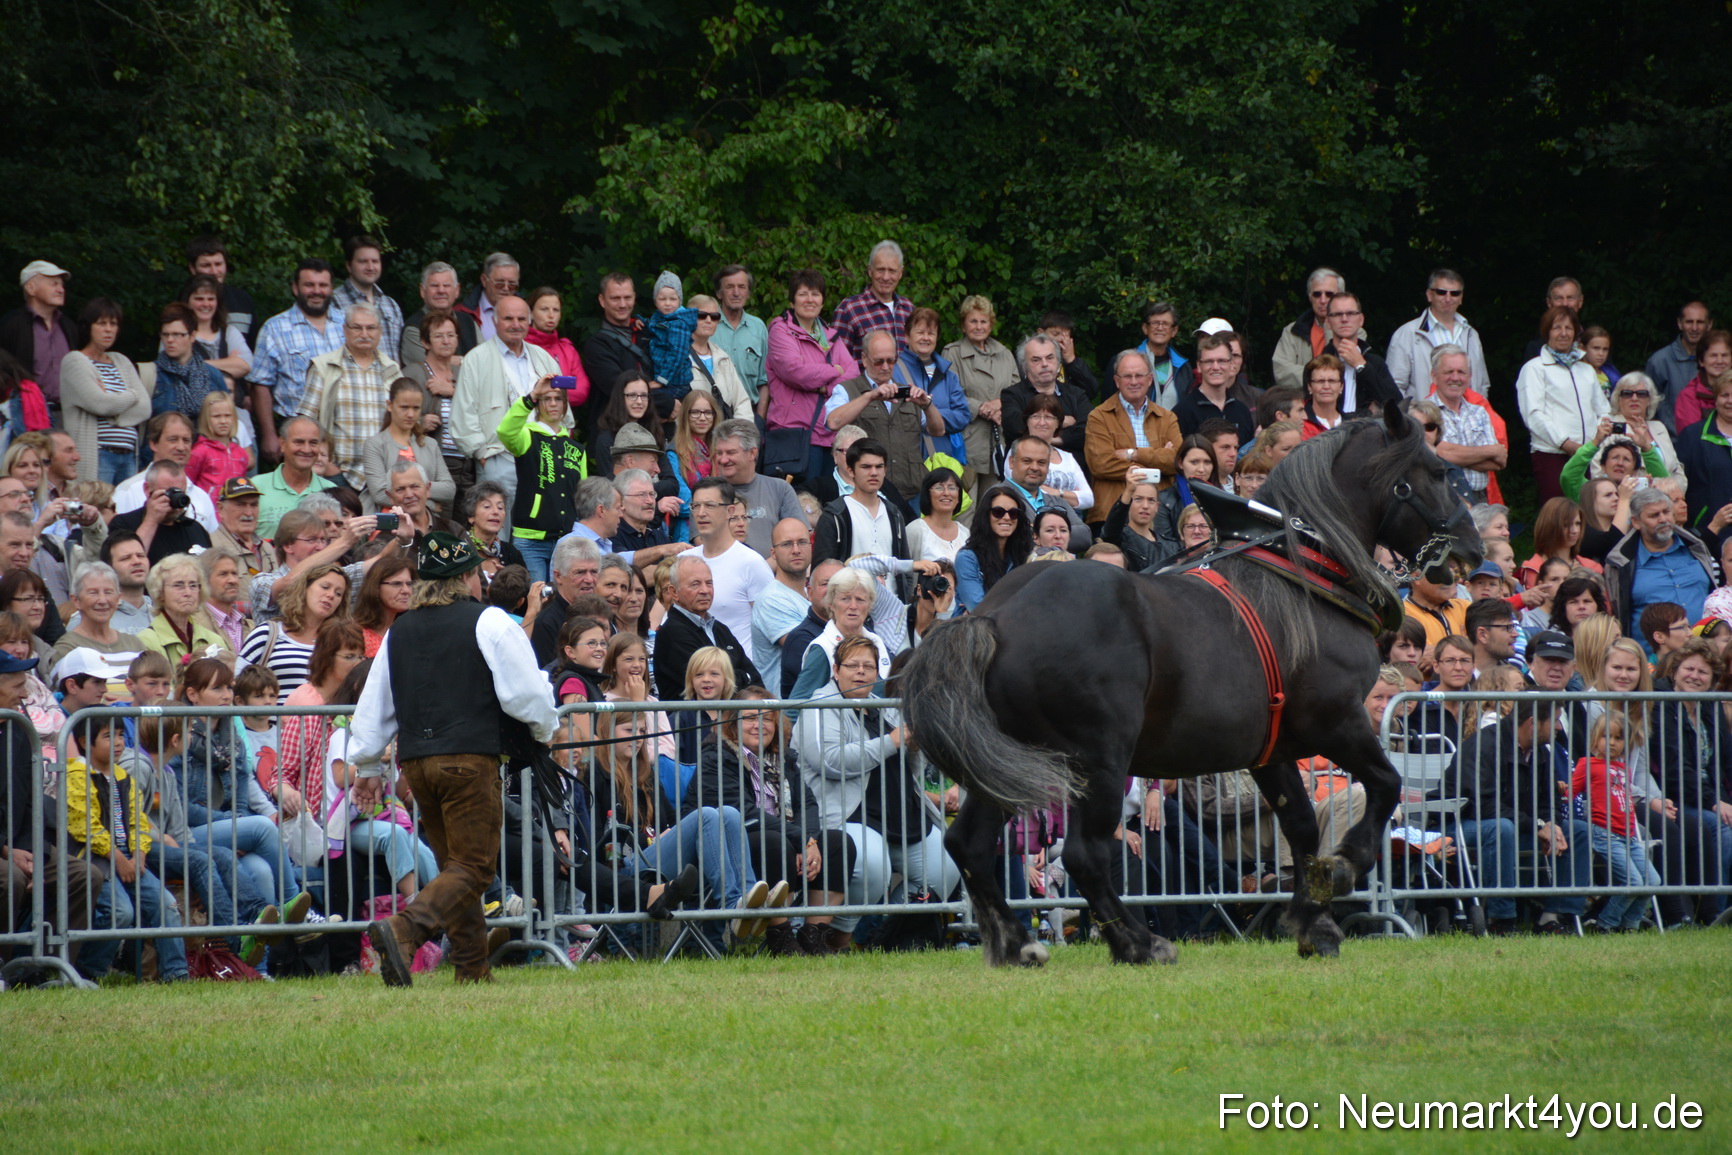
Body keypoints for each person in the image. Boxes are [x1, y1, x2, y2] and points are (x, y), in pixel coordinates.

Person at [348, 532, 547, 961]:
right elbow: (524, 695)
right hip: (470, 759)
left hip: (417, 764)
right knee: (474, 868)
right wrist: (545, 730)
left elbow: (374, 705)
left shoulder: (400, 630)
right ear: (468, 576)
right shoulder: (489, 621)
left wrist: (366, 764)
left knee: (455, 868)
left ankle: (471, 968)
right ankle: (404, 928)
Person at [793, 634, 959, 946]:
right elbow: (831, 761)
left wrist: (913, 747)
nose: (860, 672)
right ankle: (835, 939)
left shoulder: (883, 706)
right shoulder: (821, 705)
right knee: (873, 869)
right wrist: (891, 741)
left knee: (945, 868)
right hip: (852, 814)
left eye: (868, 666)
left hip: (901, 812)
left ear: (877, 671)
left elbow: (912, 769)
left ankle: (887, 937)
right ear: (835, 669)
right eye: (852, 665)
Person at [63, 715, 191, 981]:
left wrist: (140, 853)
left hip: (128, 859)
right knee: (120, 913)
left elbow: (137, 820)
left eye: (121, 735)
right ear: (86, 742)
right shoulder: (77, 774)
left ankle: (176, 974)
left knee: (165, 903)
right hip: (95, 859)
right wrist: (119, 858)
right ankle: (87, 972)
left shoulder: (122, 775)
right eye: (109, 737)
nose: (119, 743)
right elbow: (84, 827)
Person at [450, 295, 560, 522]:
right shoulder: (476, 359)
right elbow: (463, 412)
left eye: (521, 318)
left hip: (543, 456)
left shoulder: (543, 357)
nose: (515, 324)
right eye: (508, 318)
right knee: (498, 526)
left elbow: (561, 405)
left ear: (529, 321)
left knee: (541, 524)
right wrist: (481, 452)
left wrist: (558, 443)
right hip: (498, 457)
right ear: (495, 321)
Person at [825, 330, 946, 503]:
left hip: (911, 491)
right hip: (866, 493)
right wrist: (869, 396)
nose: (885, 367)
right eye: (878, 361)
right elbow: (833, 422)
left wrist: (927, 405)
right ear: (864, 359)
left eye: (891, 361)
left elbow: (938, 430)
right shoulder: (847, 390)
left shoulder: (908, 391)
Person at [247, 259, 345, 466]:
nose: (316, 291)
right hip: (296, 433)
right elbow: (260, 385)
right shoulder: (275, 328)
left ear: (331, 288)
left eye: (323, 285)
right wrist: (269, 435)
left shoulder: (348, 324)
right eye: (309, 285)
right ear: (295, 288)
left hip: (344, 429)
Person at [296, 302, 401, 495]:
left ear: (379, 331)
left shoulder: (392, 369)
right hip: (338, 474)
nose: (364, 333)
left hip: (385, 475)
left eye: (371, 328)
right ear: (344, 330)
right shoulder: (324, 367)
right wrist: (325, 463)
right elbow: (306, 423)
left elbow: (403, 422)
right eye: (357, 327)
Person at [765, 270, 857, 486]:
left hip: (828, 435)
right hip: (793, 435)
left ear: (823, 301)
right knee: (796, 504)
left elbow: (853, 374)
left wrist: (823, 387)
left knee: (823, 503)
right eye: (803, 294)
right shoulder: (781, 331)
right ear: (792, 299)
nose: (809, 300)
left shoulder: (832, 335)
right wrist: (835, 371)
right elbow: (795, 371)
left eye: (815, 294)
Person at [497, 375, 587, 584]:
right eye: (546, 398)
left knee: (561, 599)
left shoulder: (576, 449)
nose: (553, 404)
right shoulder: (527, 435)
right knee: (536, 598)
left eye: (558, 398)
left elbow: (581, 497)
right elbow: (504, 431)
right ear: (539, 404)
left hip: (565, 541)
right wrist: (531, 397)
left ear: (566, 404)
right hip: (530, 539)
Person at [1517, 305, 1607, 503]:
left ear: (1576, 333)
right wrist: (1566, 443)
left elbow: (1603, 410)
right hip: (1552, 455)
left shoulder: (1586, 370)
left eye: (1568, 328)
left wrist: (1595, 442)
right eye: (1557, 327)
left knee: (1587, 515)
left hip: (1587, 454)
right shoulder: (1534, 368)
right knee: (1559, 517)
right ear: (1547, 331)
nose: (1563, 333)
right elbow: (1534, 414)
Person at [1603, 486, 1716, 644]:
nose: (1663, 519)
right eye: (1654, 515)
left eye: (1666, 512)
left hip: (1703, 654)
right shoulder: (1621, 562)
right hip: (1652, 662)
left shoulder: (1696, 547)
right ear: (1635, 522)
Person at [1083, 351, 1182, 525]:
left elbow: (1177, 460)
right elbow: (1101, 464)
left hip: (1160, 512)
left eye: (1139, 375)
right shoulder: (1099, 417)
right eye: (1127, 376)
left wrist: (1134, 454)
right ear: (1116, 381)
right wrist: (1158, 463)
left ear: (1150, 379)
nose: (1134, 381)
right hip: (1113, 511)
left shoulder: (1167, 418)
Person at [59, 298, 151, 484]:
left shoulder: (121, 361)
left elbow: (145, 408)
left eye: (113, 324)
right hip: (99, 453)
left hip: (128, 454)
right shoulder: (75, 361)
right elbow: (100, 404)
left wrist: (113, 408)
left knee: (125, 511)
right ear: (88, 327)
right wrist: (132, 395)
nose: (108, 329)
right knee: (97, 508)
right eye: (102, 323)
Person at [652, 554, 763, 702]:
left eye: (709, 583)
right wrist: (744, 677)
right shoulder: (671, 633)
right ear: (674, 592)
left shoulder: (720, 629)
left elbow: (756, 681)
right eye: (695, 584)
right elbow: (711, 686)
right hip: (691, 723)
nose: (705, 590)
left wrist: (736, 677)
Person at [237, 563, 352, 701]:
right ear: (305, 587)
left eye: (338, 593)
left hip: (321, 722)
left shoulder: (340, 643)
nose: (331, 595)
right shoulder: (267, 633)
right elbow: (236, 683)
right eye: (325, 587)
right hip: (272, 722)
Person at [680, 477, 772, 648]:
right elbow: (662, 615)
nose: (701, 513)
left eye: (710, 505)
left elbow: (771, 627)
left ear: (730, 511)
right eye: (696, 506)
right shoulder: (683, 561)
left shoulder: (751, 562)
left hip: (737, 668)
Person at [942, 295, 1019, 495]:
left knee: (993, 506)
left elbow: (1018, 392)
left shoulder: (1005, 354)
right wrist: (983, 408)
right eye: (973, 321)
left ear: (990, 324)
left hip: (999, 442)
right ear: (963, 325)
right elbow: (949, 394)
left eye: (983, 321)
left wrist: (998, 403)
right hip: (968, 441)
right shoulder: (952, 353)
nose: (978, 326)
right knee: (965, 509)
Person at [1385, 267, 1492, 400]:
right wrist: (1415, 417)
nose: (1448, 299)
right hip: (1424, 418)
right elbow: (1394, 386)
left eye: (1455, 293)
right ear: (1429, 295)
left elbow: (1482, 385)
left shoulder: (1471, 334)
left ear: (1461, 298)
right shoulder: (1407, 334)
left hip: (1467, 418)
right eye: (1441, 292)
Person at [361, 377, 455, 516]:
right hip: (389, 523)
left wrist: (402, 490)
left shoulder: (430, 444)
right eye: (404, 407)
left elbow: (449, 489)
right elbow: (380, 494)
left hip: (426, 524)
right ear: (389, 405)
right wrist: (428, 504)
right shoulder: (375, 445)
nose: (410, 414)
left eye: (416, 408)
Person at [813, 437, 911, 572]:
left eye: (879, 466)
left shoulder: (894, 513)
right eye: (866, 467)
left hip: (892, 593)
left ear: (885, 470)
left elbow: (904, 566)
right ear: (851, 471)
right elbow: (822, 571)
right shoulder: (835, 514)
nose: (874, 473)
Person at [710, 419, 803, 558]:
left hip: (773, 576)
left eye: (730, 452)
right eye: (719, 453)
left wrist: (761, 570)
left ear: (752, 453)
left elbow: (800, 540)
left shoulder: (780, 488)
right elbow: (703, 543)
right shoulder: (707, 494)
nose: (723, 460)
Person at [402, 308, 469, 498]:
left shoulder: (463, 374)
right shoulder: (412, 374)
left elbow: (479, 410)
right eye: (439, 336)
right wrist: (419, 423)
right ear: (425, 342)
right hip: (434, 462)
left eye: (451, 335)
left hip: (466, 463)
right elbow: (394, 416)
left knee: (467, 521)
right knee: (440, 520)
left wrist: (452, 391)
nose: (446, 341)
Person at [1427, 344, 1506, 504]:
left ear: (1469, 377)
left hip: (1480, 500)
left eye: (1461, 372)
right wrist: (1491, 450)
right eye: (1449, 372)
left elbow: (1498, 461)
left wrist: (1451, 454)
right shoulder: (1423, 412)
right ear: (1434, 376)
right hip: (1442, 501)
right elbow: (1437, 454)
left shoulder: (1480, 412)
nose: (1455, 378)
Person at [136, 552, 232, 669]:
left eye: (193, 585)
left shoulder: (214, 640)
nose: (188, 593)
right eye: (178, 585)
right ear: (160, 592)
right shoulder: (146, 641)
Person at [1, 260, 77, 408]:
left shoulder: (68, 326)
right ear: (31, 288)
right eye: (53, 284)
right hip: (25, 411)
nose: (61, 290)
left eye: (61, 285)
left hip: (66, 412)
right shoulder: (12, 324)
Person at [1001, 333, 1092, 456]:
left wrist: (1052, 439)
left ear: (1058, 362)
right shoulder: (1012, 394)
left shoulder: (1076, 394)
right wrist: (1061, 420)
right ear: (1024, 367)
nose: (1044, 364)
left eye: (1050, 358)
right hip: (1028, 468)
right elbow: (1016, 426)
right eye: (1036, 360)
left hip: (1072, 472)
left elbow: (1089, 430)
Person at [751, 518, 814, 696]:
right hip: (785, 712)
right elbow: (808, 650)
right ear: (773, 553)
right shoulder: (772, 598)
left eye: (802, 542)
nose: (796, 550)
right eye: (787, 544)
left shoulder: (811, 595)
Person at [581, 272, 654, 424]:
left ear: (634, 297)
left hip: (654, 430)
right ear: (602, 300)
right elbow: (620, 389)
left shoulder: (649, 335)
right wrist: (669, 403)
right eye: (615, 298)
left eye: (627, 297)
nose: (622, 304)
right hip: (613, 433)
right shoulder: (597, 345)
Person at [108, 460, 212, 563]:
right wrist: (151, 521)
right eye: (170, 493)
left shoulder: (195, 528)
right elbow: (131, 563)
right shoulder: (123, 524)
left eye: (180, 493)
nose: (174, 499)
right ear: (147, 489)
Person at [142, 301, 226, 424]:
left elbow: (227, 418)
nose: (170, 340)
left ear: (192, 336)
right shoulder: (150, 374)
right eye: (165, 334)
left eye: (177, 334)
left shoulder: (213, 375)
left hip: (204, 442)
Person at [252, 416, 335, 540]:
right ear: (283, 444)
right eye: (299, 442)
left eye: (313, 443)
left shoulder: (330, 491)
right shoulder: (256, 486)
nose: (306, 449)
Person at [831, 240, 915, 362]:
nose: (886, 277)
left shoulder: (909, 309)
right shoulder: (849, 309)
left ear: (900, 273)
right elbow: (837, 362)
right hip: (864, 381)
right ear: (870, 270)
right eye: (880, 270)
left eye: (892, 271)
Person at [955, 485, 1032, 611]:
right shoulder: (967, 558)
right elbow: (979, 608)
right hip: (973, 629)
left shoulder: (1023, 556)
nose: (1006, 517)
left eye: (1013, 513)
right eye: (998, 512)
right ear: (986, 516)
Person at [331, 236, 405, 367]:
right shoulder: (334, 301)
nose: (370, 267)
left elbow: (400, 352)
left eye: (375, 261)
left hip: (391, 383)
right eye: (363, 261)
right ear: (349, 266)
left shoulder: (390, 305)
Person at [1270, 267, 1347, 391]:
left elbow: (1349, 374)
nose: (1323, 300)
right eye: (1317, 294)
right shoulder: (1291, 331)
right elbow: (1281, 372)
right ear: (1310, 297)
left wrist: (1309, 375)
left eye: (1329, 294)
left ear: (1340, 297)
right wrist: (1322, 378)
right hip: (1299, 404)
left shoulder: (1354, 331)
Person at [1174, 334, 1256, 444]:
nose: (1216, 367)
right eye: (1209, 361)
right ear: (1199, 366)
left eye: (1222, 361)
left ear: (1231, 364)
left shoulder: (1242, 411)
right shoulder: (1182, 412)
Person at [1646, 300, 1713, 432]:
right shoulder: (1660, 361)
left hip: (1713, 441)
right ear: (1679, 324)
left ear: (1709, 325)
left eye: (1700, 322)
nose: (1694, 328)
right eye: (1689, 322)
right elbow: (1648, 407)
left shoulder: (1718, 360)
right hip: (1672, 442)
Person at [684, 293, 752, 418]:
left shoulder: (723, 358)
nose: (708, 320)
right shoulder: (675, 356)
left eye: (714, 317)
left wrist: (739, 435)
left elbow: (742, 403)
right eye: (701, 315)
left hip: (722, 434)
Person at [664, 390, 720, 536]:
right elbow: (682, 503)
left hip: (720, 530)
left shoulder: (722, 451)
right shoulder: (674, 452)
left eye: (708, 412)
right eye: (695, 412)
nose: (702, 418)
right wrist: (718, 507)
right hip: (687, 533)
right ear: (685, 416)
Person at [710, 265, 768, 404]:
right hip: (712, 414)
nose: (736, 293)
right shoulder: (707, 324)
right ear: (719, 293)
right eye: (730, 287)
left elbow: (764, 380)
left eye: (742, 287)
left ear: (748, 293)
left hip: (750, 415)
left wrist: (760, 417)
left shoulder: (758, 328)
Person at [589, 373, 662, 477]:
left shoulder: (654, 431)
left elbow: (671, 483)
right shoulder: (606, 440)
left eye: (644, 395)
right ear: (619, 398)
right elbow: (612, 485)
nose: (639, 401)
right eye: (632, 395)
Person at [185, 391, 251, 499]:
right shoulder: (199, 451)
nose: (223, 421)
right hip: (206, 512)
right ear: (206, 418)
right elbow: (188, 485)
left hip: (233, 512)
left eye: (227, 416)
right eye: (216, 416)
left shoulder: (240, 453)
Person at [1665, 327, 1731, 435]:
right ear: (1701, 361)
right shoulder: (1689, 396)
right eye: (1713, 355)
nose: (1719, 361)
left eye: (1724, 355)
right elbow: (1691, 438)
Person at [353, 553, 416, 657]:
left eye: (409, 584)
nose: (406, 590)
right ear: (376, 588)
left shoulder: (411, 633)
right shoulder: (355, 634)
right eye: (396, 584)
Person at [906, 466, 969, 564]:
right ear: (928, 494)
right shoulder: (915, 530)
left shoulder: (966, 534)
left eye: (952, 488)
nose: (946, 493)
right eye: (939, 488)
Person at [1100, 476, 1164, 572]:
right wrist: (1128, 491)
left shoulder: (1170, 545)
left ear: (1157, 506)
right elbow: (1110, 532)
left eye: (1151, 500)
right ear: (1129, 501)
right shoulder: (1120, 538)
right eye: (1138, 499)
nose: (1145, 506)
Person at [1133, 301, 1190, 408]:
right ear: (1145, 328)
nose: (1160, 328)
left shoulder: (1183, 367)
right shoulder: (1127, 361)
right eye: (1155, 323)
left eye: (1165, 324)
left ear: (1174, 330)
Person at [1298, 354, 1348, 439]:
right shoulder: (1299, 424)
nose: (1326, 386)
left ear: (1341, 386)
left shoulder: (1352, 424)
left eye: (1332, 381)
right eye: (1320, 381)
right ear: (1310, 386)